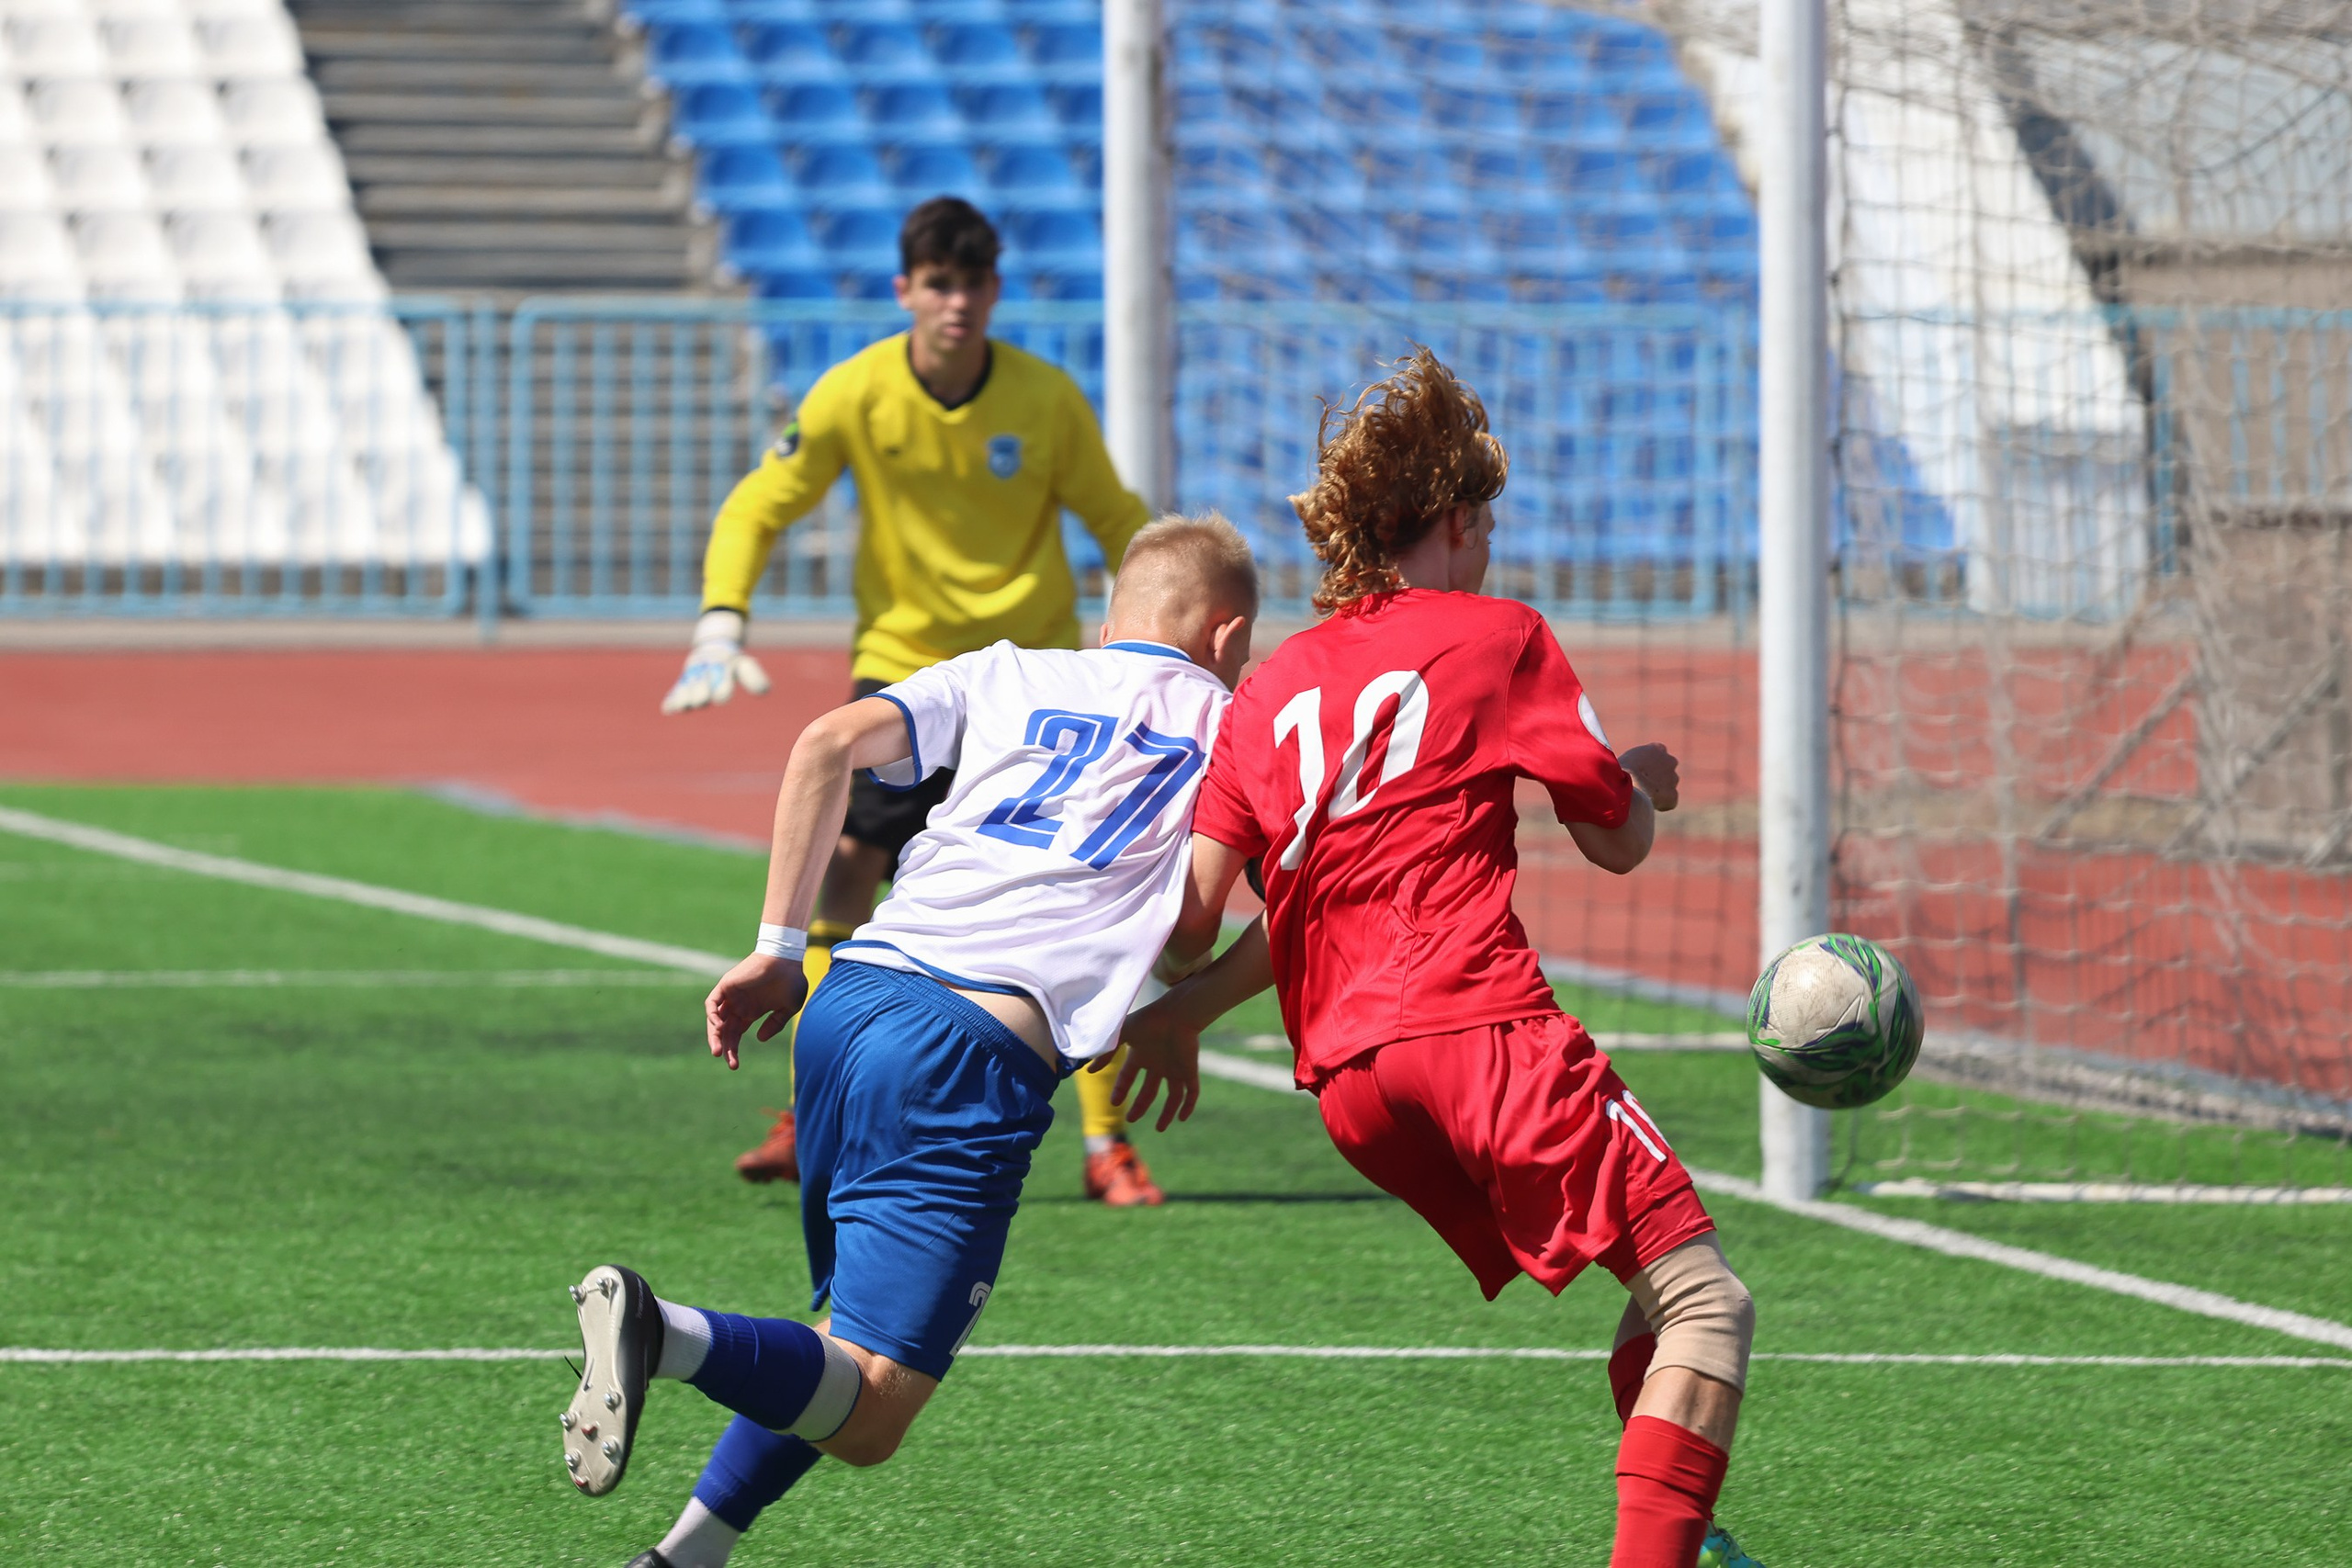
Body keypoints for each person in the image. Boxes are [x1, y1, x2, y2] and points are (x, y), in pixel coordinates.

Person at [1114, 350, 1766, 1568]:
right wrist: (1638, 784)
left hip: (1358, 1091)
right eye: (1489, 523)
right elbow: (1615, 841)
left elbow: (1206, 914)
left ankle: (1692, 1531)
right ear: (1459, 518)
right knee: (1706, 1299)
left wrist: (1180, 1009)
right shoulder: (1499, 635)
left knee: (1655, 1286)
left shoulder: (1271, 690)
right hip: (1483, 1037)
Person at [562, 515, 1259, 1568]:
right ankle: (667, 1333)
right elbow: (1196, 932)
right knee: (874, 1415)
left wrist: (774, 949)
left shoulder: (1014, 670)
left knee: (842, 1355)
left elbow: (824, 744)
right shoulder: (1237, 726)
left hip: (848, 1002)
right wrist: (1180, 998)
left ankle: (684, 1555)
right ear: (1227, 635)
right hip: (970, 1051)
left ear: (1112, 619)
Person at [659, 196, 1167, 1204]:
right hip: (904, 674)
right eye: (939, 283)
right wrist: (723, 617)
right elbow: (765, 502)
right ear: (905, 291)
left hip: (1030, 686)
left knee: (1077, 899)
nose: (957, 303)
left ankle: (1105, 1143)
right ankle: (813, 1114)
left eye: (974, 283)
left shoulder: (1045, 399)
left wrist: (1162, 647)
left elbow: (1119, 523)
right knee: (846, 874)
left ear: (993, 291)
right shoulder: (855, 393)